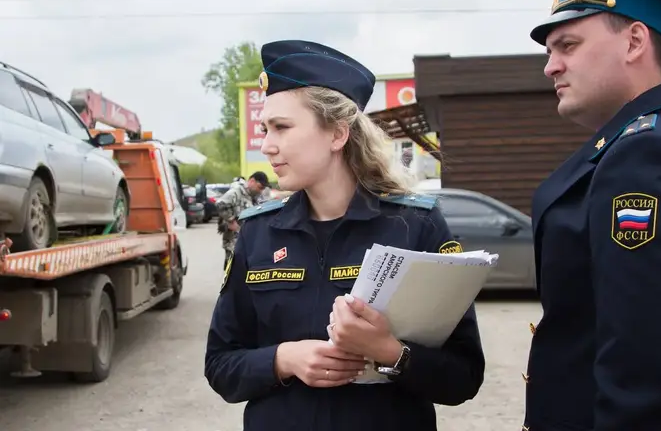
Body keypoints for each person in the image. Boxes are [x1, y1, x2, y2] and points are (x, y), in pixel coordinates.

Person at [204, 39, 485, 430]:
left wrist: (388, 351)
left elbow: (464, 376)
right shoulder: (259, 232)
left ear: (337, 134)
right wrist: (284, 358)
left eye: (281, 127)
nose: (266, 146)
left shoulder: (415, 226)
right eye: (265, 129)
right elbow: (220, 364)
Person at [523, 0, 661, 430]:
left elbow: (647, 365)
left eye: (568, 45)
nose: (550, 65)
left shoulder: (646, 156)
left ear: (635, 41)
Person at [215, 171, 269, 269]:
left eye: (263, 189)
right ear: (252, 181)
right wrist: (231, 220)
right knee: (233, 272)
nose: (261, 191)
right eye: (260, 187)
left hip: (248, 242)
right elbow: (220, 204)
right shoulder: (237, 192)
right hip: (234, 242)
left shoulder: (254, 196)